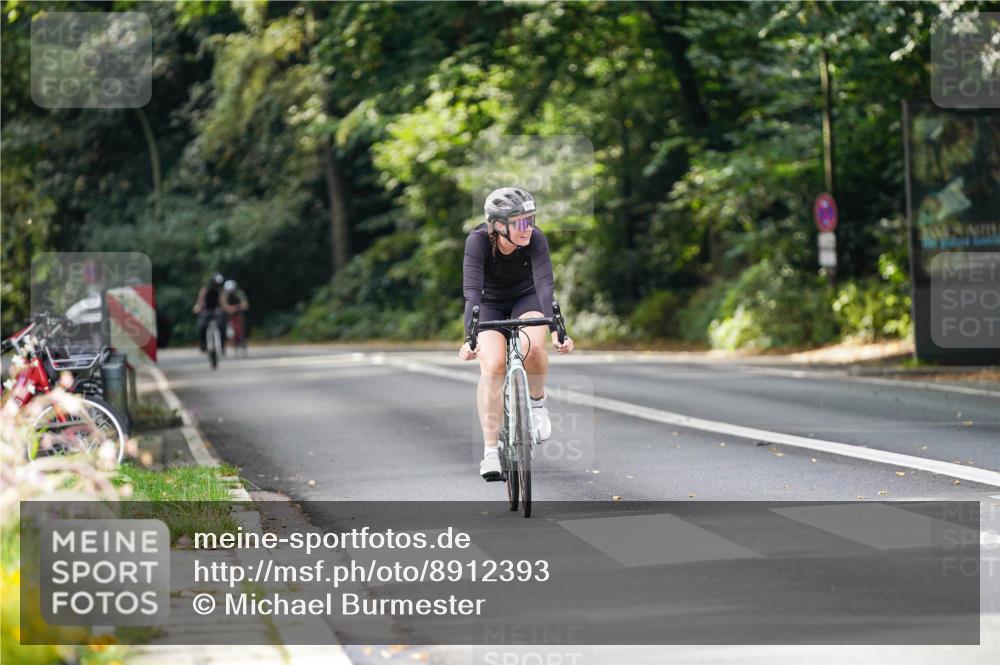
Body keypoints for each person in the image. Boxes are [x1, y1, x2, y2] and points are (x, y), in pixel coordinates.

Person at [458, 186, 574, 481]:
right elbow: (471, 293)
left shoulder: (535, 239)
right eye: (520, 222)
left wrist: (556, 330)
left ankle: (536, 403)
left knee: (534, 348)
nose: (528, 228)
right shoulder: (478, 242)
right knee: (493, 366)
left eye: (531, 219)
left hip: (527, 299)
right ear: (498, 226)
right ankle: (490, 452)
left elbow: (546, 287)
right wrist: (470, 338)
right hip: (489, 304)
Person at [192, 273, 226, 353]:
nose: (216, 285)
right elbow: (200, 301)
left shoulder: (219, 291)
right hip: (206, 311)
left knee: (221, 326)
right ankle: (203, 345)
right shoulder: (205, 290)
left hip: (216, 311)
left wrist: (225, 308)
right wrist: (198, 307)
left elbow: (222, 302)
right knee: (202, 326)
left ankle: (222, 346)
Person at [222, 279, 250, 354]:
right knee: (226, 327)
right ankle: (228, 342)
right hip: (228, 314)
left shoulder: (239, 293)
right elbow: (224, 305)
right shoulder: (224, 294)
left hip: (238, 312)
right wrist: (230, 309)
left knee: (241, 326)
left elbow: (245, 304)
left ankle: (243, 340)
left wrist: (238, 307)